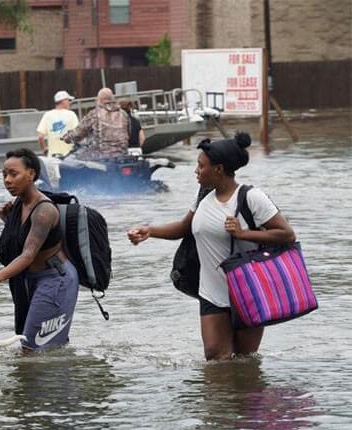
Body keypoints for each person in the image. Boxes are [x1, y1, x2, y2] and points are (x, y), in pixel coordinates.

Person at [127, 133, 296, 361]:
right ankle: (219, 399)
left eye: (201, 166)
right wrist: (149, 231)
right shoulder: (204, 197)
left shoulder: (252, 197)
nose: (196, 171)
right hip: (212, 294)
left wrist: (243, 233)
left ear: (219, 169)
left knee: (245, 360)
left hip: (249, 291)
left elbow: (287, 234)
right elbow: (183, 228)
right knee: (216, 359)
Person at [0, 148, 80, 353]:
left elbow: (28, 254)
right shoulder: (18, 205)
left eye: (13, 174)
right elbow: (19, 240)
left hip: (55, 280)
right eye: (4, 175)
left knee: (32, 350)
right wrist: (8, 221)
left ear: (32, 174)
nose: (7, 180)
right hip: (28, 280)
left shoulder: (44, 210)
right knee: (31, 343)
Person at [61, 87, 129, 160]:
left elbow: (78, 133)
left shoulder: (95, 114)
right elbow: (128, 132)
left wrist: (67, 138)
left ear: (99, 100)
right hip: (122, 155)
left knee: (74, 161)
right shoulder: (124, 114)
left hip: (102, 157)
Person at [36, 90, 79, 157]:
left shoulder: (47, 115)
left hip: (53, 156)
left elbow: (40, 137)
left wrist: (44, 149)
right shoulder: (71, 114)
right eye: (68, 100)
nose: (69, 103)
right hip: (69, 156)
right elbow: (77, 133)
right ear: (63, 101)